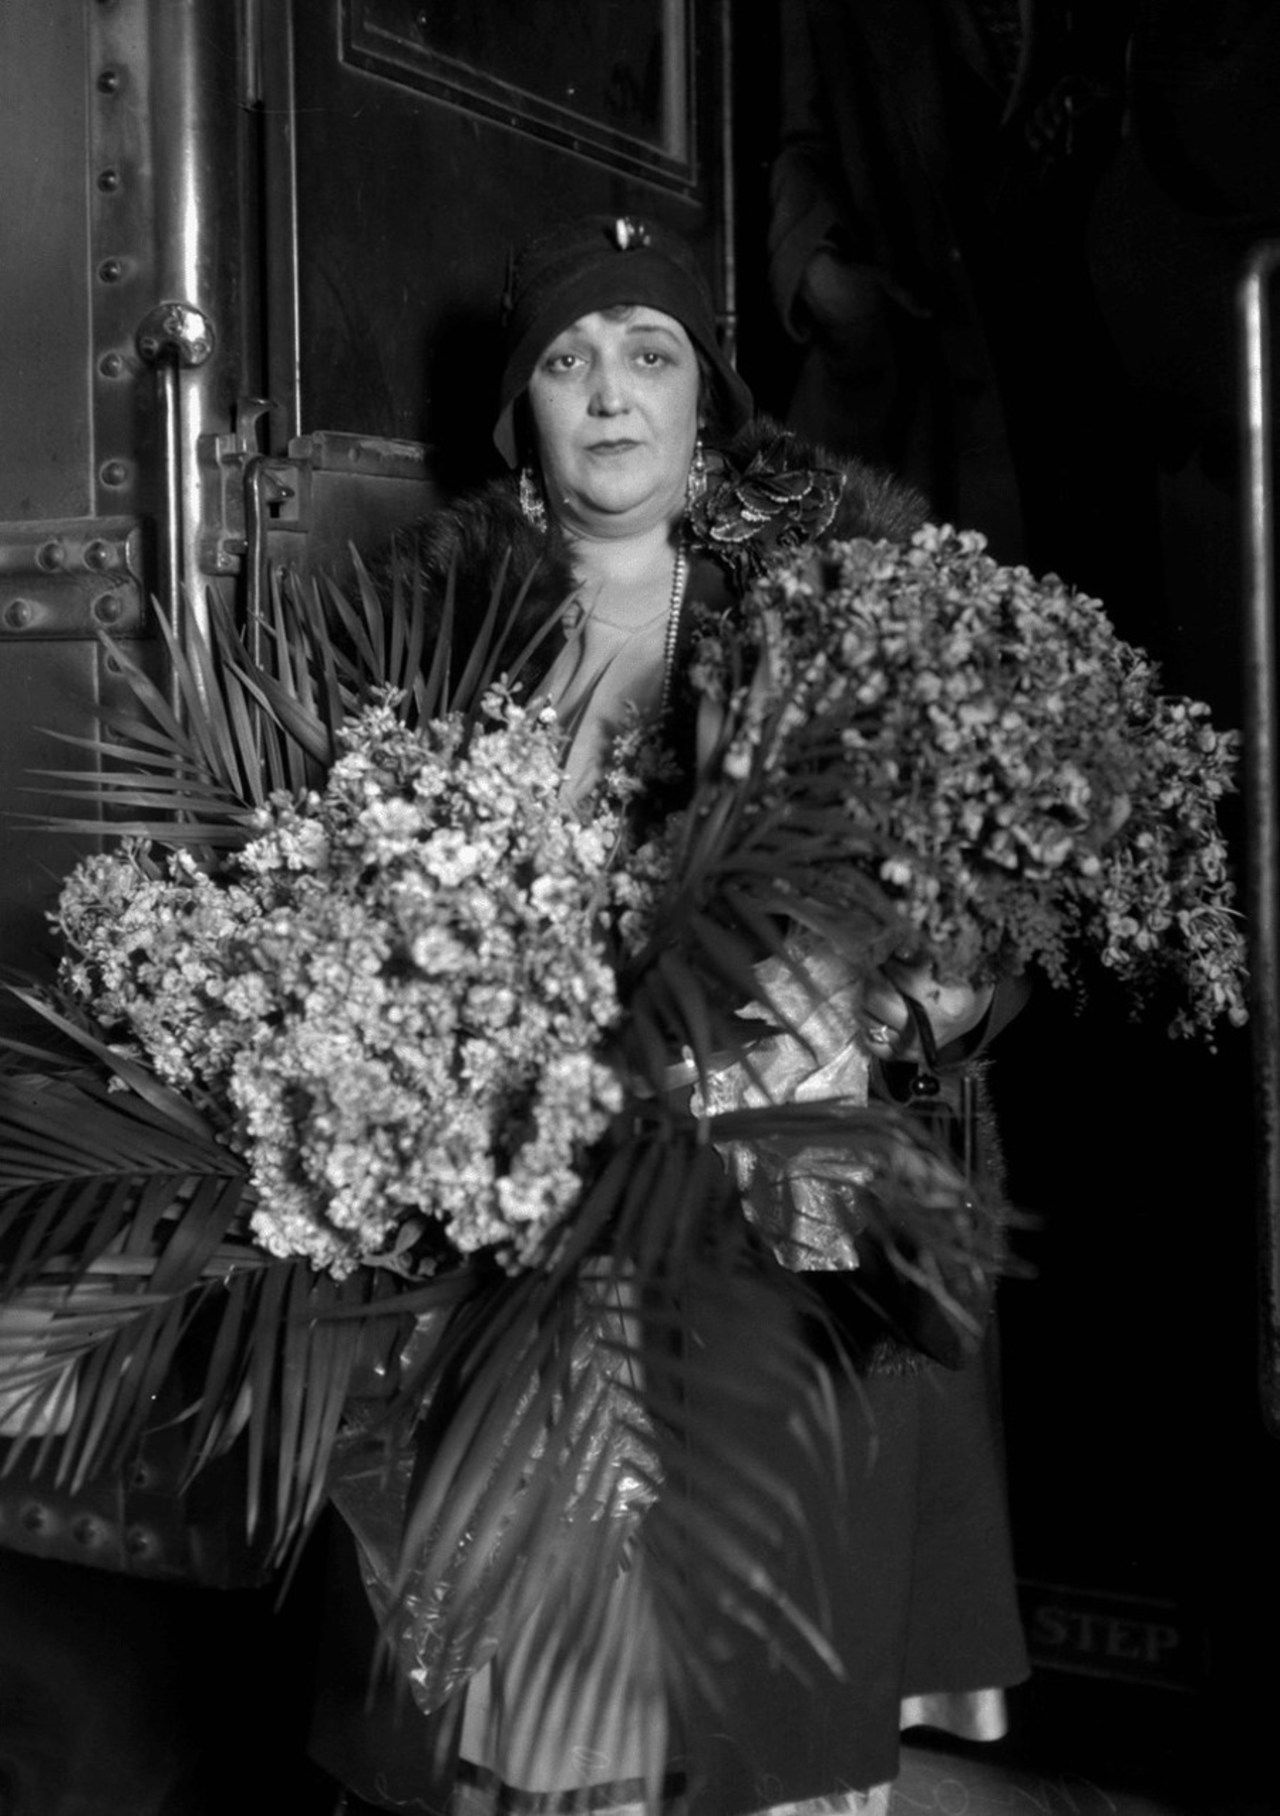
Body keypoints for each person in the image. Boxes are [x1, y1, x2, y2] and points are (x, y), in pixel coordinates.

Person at [313, 211, 1029, 1816]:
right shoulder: (430, 641)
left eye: (650, 355)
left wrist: (931, 997)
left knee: (760, 1707)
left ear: (710, 397)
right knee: (538, 1716)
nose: (610, 394)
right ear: (521, 414)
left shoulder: (835, 615)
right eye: (567, 363)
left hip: (771, 1237)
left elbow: (988, 928)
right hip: (519, 1240)